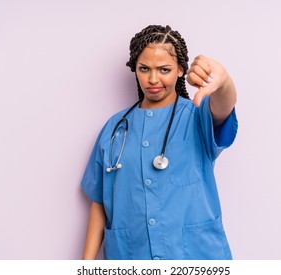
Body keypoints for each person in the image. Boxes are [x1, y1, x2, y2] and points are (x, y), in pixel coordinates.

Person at [81, 25, 238, 260]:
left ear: (180, 70)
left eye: (164, 69)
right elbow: (100, 202)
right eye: (144, 69)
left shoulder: (197, 116)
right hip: (132, 256)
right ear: (135, 68)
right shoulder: (115, 128)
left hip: (195, 257)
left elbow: (223, 106)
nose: (153, 79)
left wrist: (223, 81)